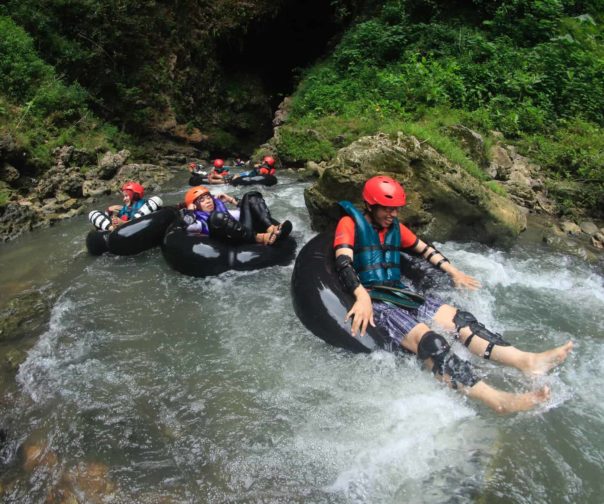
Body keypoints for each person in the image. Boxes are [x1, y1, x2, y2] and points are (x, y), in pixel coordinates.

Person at [333, 175, 573, 413]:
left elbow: (426, 250)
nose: (393, 214)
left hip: (399, 293)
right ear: (370, 205)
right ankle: (498, 400)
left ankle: (526, 361)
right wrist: (362, 296)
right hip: (376, 301)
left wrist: (454, 271)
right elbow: (343, 262)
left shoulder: (397, 228)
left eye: (396, 209)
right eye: (387, 209)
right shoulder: (350, 224)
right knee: (431, 341)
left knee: (461, 321)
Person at [182, 185, 292, 246]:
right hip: (227, 243)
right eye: (202, 200)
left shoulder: (223, 211)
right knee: (217, 217)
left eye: (208, 197)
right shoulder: (199, 222)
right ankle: (261, 238)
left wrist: (230, 200)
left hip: (242, 235)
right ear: (195, 206)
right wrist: (190, 211)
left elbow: (245, 212)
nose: (208, 201)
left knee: (250, 195)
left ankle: (271, 228)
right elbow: (189, 227)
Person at [88, 182, 162, 232]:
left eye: (126, 196)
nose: (124, 199)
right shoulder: (124, 208)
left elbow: (157, 204)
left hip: (136, 225)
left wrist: (124, 222)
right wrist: (111, 215)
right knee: (92, 213)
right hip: (118, 230)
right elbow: (117, 214)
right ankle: (111, 228)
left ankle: (126, 223)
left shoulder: (144, 205)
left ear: (135, 195)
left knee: (156, 199)